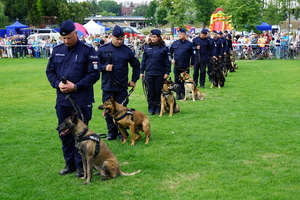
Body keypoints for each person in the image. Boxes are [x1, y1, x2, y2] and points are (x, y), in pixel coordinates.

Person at [46, 19, 100, 177]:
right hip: (63, 101)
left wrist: (75, 86)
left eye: (69, 37)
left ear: (76, 33)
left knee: (80, 135)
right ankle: (69, 163)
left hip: (81, 100)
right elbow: (50, 72)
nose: (66, 41)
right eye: (63, 38)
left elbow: (94, 74)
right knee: (64, 134)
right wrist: (57, 84)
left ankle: (80, 166)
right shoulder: (57, 50)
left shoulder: (87, 50)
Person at [97, 25, 140, 141]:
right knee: (108, 111)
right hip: (108, 86)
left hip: (122, 86)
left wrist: (134, 80)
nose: (120, 41)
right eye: (117, 39)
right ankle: (112, 133)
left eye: (122, 39)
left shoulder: (127, 51)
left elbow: (136, 65)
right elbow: (94, 66)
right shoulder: (102, 49)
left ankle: (123, 134)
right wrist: (104, 67)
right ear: (112, 36)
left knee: (123, 111)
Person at [140, 29, 171, 115]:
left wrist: (167, 72)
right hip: (149, 72)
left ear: (158, 37)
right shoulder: (147, 47)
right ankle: (151, 108)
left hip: (159, 73)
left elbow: (167, 61)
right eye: (151, 37)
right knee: (150, 91)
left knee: (158, 91)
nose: (152, 39)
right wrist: (141, 71)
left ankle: (158, 108)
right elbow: (143, 60)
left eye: (154, 37)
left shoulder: (164, 48)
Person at [169, 28, 194, 99]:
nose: (179, 35)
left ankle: (183, 94)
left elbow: (193, 55)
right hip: (177, 66)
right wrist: (171, 59)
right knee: (177, 80)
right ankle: (178, 94)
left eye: (181, 34)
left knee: (185, 81)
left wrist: (192, 63)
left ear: (185, 34)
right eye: (178, 34)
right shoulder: (175, 43)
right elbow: (169, 53)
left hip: (185, 66)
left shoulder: (189, 44)